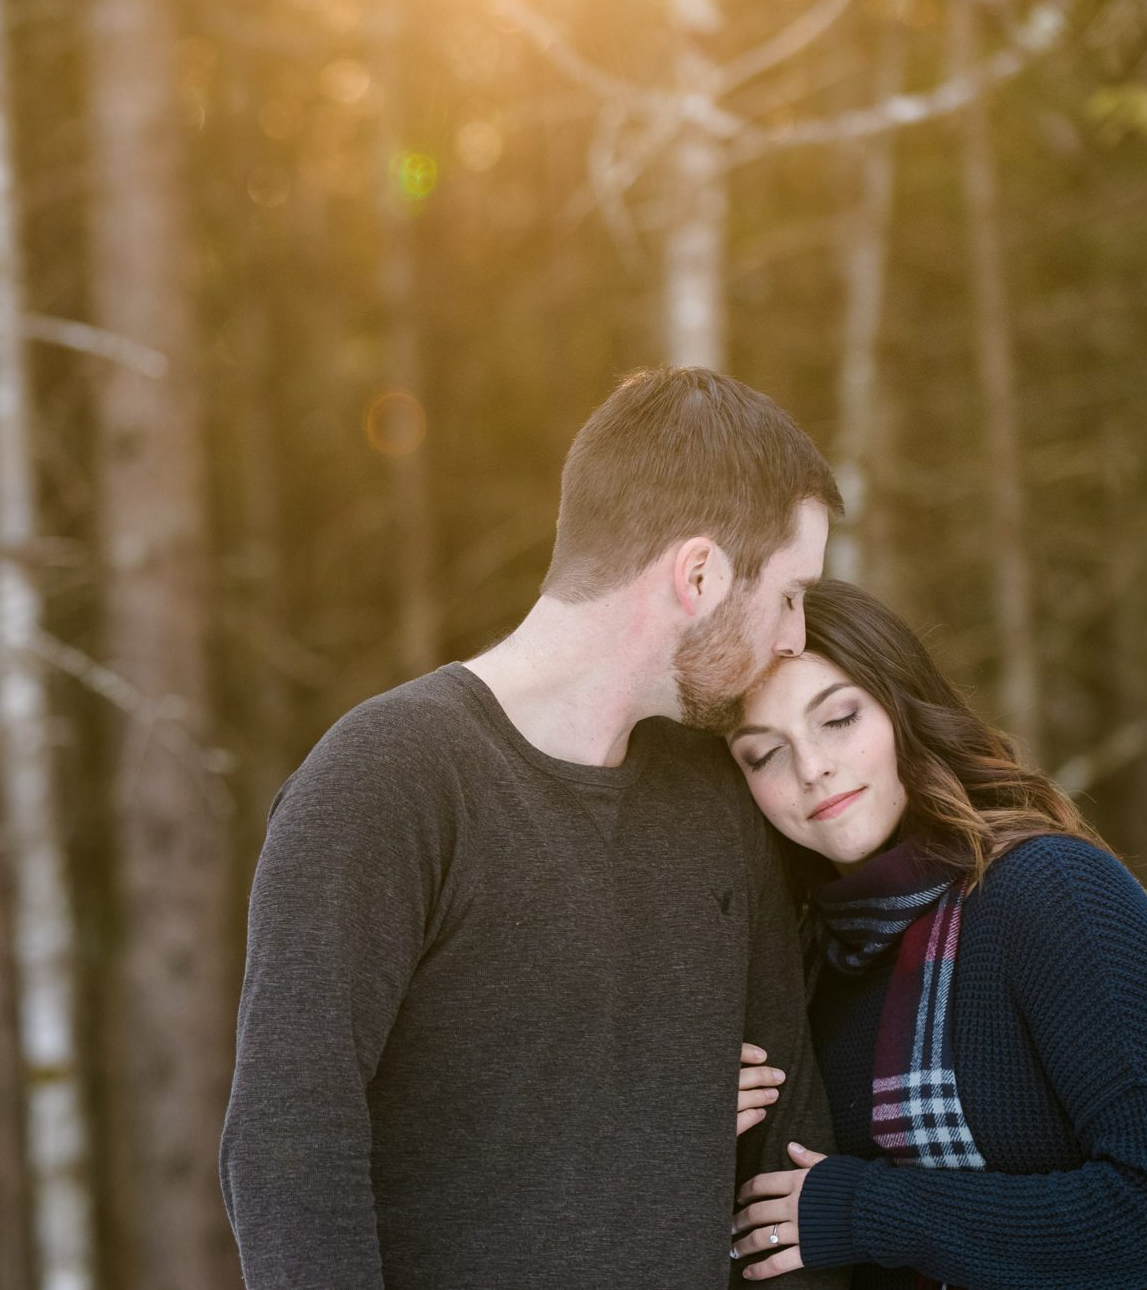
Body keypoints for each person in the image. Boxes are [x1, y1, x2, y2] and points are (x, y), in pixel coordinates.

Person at [220, 366, 851, 1289]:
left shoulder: (716, 800)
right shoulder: (389, 780)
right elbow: (287, 1147)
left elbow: (783, 1158)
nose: (796, 636)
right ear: (700, 573)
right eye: (791, 593)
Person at [722, 578, 1147, 1288]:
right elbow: (777, 1232)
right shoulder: (808, 966)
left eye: (838, 717)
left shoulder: (1052, 890)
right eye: (763, 753)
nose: (812, 767)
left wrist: (876, 1208)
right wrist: (700, 1131)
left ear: (902, 706)